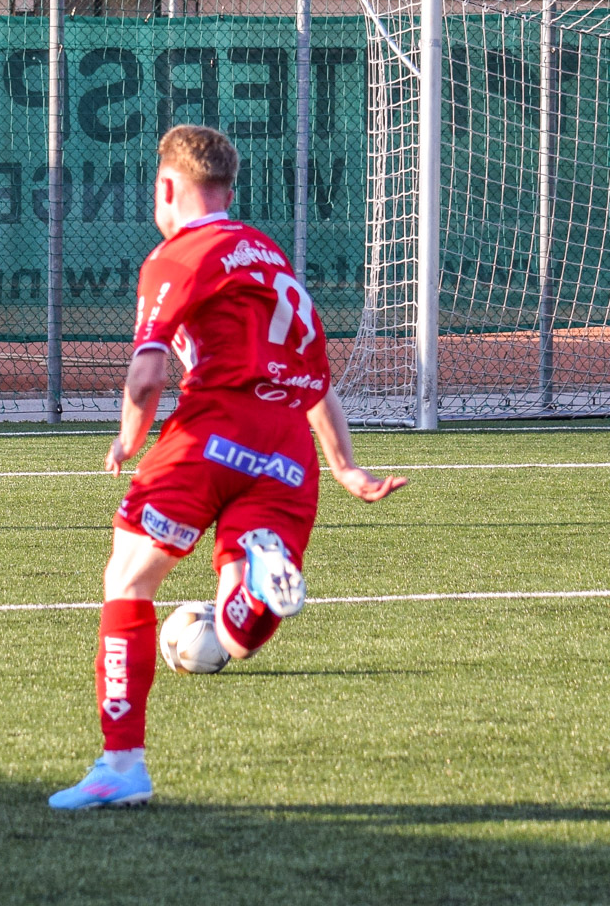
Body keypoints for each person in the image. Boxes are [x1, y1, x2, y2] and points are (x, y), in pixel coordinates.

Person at [48, 125, 406, 810]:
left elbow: (148, 371)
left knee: (128, 580)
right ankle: (261, 589)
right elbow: (317, 383)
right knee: (237, 635)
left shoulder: (177, 254)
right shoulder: (270, 257)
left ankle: (122, 767)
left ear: (167, 187)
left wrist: (128, 437)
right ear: (228, 190)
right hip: (289, 450)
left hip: (213, 431)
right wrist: (346, 469)